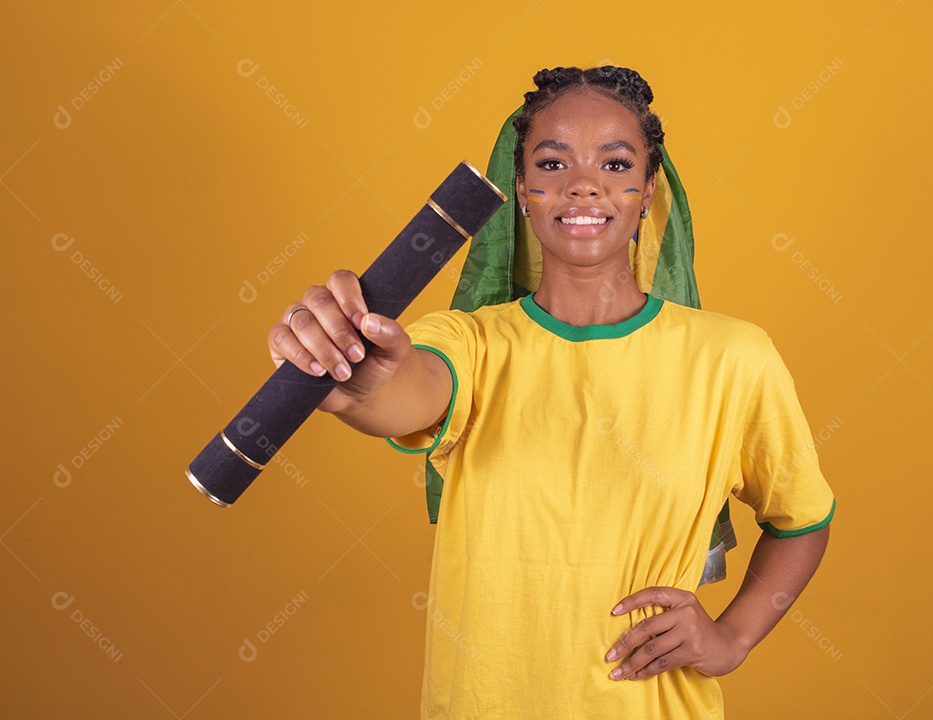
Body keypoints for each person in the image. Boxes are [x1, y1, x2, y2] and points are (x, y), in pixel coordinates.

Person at [268, 66, 835, 719]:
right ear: (522, 191)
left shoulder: (735, 358)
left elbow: (803, 521)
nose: (585, 184)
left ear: (648, 191)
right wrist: (358, 381)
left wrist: (731, 637)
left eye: (617, 164)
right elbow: (407, 393)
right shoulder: (468, 344)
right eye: (553, 162)